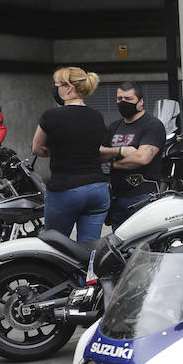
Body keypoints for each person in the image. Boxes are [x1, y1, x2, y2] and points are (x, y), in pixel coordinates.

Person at [33, 67, 109, 241]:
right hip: (97, 188)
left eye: (58, 85)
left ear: (68, 88)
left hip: (65, 189)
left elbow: (36, 148)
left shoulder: (51, 116)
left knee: (56, 245)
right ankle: (87, 269)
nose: (56, 89)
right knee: (90, 249)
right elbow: (94, 146)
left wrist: (57, 150)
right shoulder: (97, 116)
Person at [98, 81, 166, 226]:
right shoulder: (114, 127)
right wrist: (121, 150)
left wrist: (113, 163)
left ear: (140, 102)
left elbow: (142, 158)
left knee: (142, 244)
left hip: (143, 197)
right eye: (119, 99)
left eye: (128, 99)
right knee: (119, 245)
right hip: (116, 197)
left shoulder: (152, 125)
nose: (122, 102)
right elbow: (98, 153)